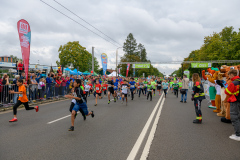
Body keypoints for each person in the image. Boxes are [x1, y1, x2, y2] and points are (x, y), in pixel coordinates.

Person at [224, 69, 240, 141]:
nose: (229, 77)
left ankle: (238, 135)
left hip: (235, 101)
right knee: (238, 117)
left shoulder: (233, 83)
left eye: (229, 75)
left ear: (232, 75)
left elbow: (227, 91)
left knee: (234, 117)